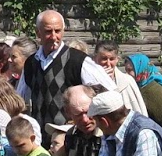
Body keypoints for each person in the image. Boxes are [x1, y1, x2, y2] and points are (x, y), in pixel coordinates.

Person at [16, 11, 111, 140]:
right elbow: (20, 100)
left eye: (58, 31)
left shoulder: (77, 60)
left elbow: (109, 91)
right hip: (40, 139)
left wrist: (88, 118)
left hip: (72, 138)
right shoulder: (31, 63)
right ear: (38, 33)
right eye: (48, 31)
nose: (54, 36)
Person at [124, 53, 162, 138]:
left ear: (141, 69)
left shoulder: (155, 92)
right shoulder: (137, 88)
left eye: (130, 70)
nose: (127, 74)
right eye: (126, 70)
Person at [94, 46, 150, 124]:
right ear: (95, 59)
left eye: (112, 59)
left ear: (117, 59)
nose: (108, 63)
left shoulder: (128, 81)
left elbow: (139, 109)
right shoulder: (90, 82)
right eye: (104, 59)